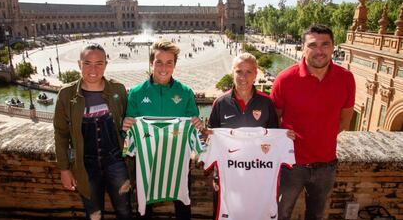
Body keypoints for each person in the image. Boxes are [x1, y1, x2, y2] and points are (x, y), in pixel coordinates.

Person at [271, 24, 356, 220]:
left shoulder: (346, 79)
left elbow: (344, 121)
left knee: (316, 215)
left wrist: (321, 137)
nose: (319, 51)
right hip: (290, 165)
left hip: (326, 165)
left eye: (325, 44)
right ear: (303, 48)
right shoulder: (284, 79)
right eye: (313, 45)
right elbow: (275, 120)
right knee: (279, 214)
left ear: (333, 47)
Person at [123, 39, 204, 220]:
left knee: (183, 205)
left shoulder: (185, 92)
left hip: (178, 161)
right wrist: (126, 126)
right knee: (145, 206)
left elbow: (195, 127)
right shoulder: (136, 93)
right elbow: (127, 136)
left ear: (175, 65)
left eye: (169, 62)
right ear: (151, 63)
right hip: (146, 160)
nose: (163, 67)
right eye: (158, 62)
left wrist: (198, 126)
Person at [207, 52, 294, 218]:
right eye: (239, 71)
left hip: (257, 176)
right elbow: (213, 142)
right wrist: (217, 176)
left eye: (248, 72)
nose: (243, 77)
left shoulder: (267, 103)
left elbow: (273, 140)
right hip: (228, 177)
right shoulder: (220, 103)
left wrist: (285, 137)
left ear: (256, 74)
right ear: (232, 72)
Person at [54, 43, 132, 220]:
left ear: (106, 64)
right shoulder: (66, 95)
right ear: (79, 64)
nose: (93, 69)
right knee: (94, 214)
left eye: (99, 63)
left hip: (116, 162)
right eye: (87, 63)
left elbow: (129, 121)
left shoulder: (118, 90)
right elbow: (61, 133)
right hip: (85, 166)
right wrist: (64, 169)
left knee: (125, 211)